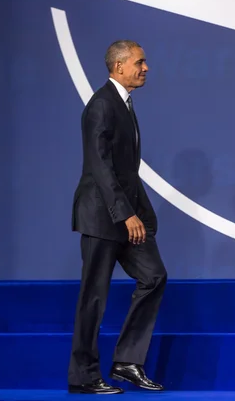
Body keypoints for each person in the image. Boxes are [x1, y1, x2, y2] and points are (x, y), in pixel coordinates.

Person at [68, 40, 167, 395]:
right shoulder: (101, 106)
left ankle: (126, 362)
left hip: (126, 215)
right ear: (119, 66)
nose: (146, 68)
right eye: (140, 62)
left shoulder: (123, 105)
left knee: (154, 276)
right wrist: (126, 215)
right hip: (101, 215)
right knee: (93, 297)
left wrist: (138, 212)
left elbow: (127, 170)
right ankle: (83, 375)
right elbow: (101, 168)